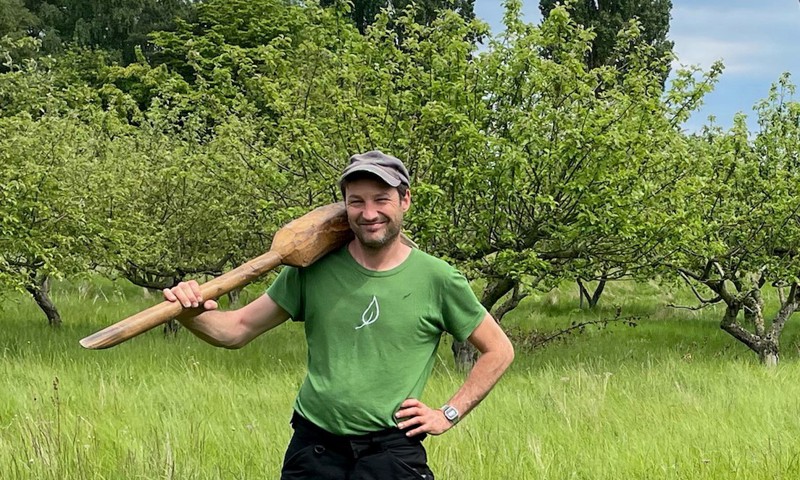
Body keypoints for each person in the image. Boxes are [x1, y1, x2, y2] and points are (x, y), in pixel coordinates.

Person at [163, 150, 515, 479]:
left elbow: (499, 349)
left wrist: (447, 414)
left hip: (391, 454)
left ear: (405, 200)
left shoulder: (438, 279)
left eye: (381, 200)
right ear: (344, 206)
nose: (369, 213)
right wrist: (188, 313)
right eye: (356, 201)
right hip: (314, 449)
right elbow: (235, 330)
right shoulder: (310, 268)